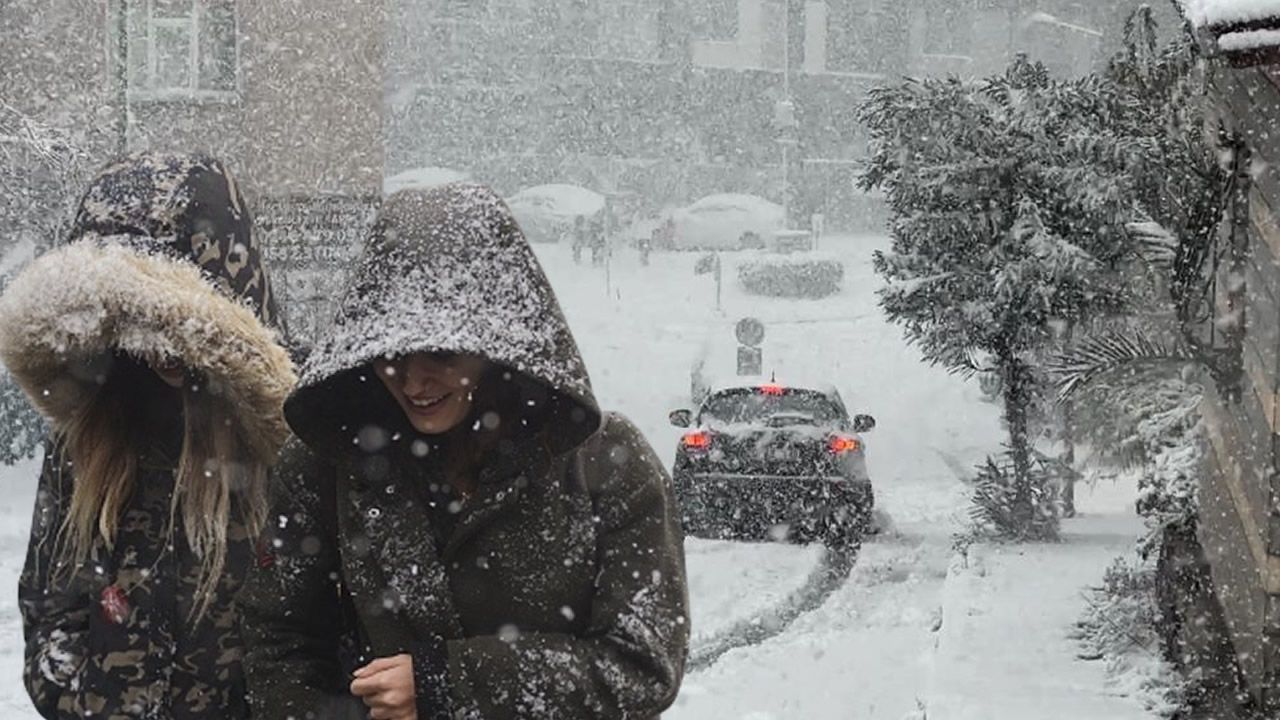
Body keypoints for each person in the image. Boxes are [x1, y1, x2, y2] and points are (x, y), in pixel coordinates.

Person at [242, 183, 689, 720]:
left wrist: (449, 685)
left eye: (440, 352)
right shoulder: (326, 463)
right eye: (389, 355)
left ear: (500, 347)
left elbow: (641, 666)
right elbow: (280, 640)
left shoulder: (608, 464)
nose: (412, 380)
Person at [0, 153, 297, 719]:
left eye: (174, 326)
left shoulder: (291, 437)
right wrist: (86, 699)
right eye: (137, 324)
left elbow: (322, 632)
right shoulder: (92, 431)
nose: (159, 349)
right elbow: (49, 606)